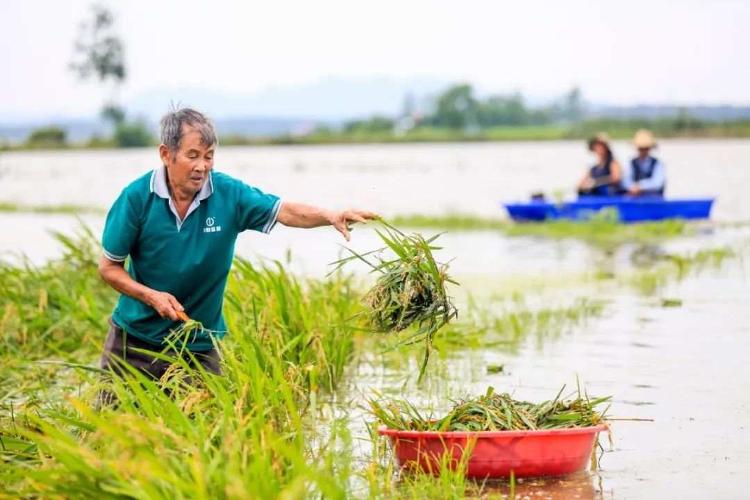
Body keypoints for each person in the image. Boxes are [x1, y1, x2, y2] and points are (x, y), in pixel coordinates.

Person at [98, 108, 377, 382]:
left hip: (197, 346)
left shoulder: (229, 194)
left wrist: (329, 216)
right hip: (133, 342)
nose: (202, 166)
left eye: (209, 157)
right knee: (111, 426)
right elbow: (109, 267)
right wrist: (151, 296)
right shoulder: (136, 198)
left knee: (207, 426)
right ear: (166, 154)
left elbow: (285, 211)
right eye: (192, 155)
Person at [622, 129, 666, 197]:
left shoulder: (657, 163)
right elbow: (625, 181)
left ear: (649, 148)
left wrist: (640, 186)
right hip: (635, 199)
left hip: (654, 200)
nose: (643, 151)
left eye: (645, 148)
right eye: (641, 148)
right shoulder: (631, 163)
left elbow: (658, 183)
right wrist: (632, 187)